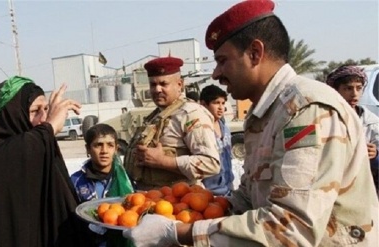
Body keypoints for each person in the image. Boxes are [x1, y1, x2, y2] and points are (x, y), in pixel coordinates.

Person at [123, 0, 379, 246]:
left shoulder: (306, 110)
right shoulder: (265, 115)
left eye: (223, 60)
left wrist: (180, 232)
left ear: (255, 53)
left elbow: (291, 230)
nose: (216, 74)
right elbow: (249, 198)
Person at [0, 76, 88, 247]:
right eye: (35, 110)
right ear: (11, 113)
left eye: (46, 109)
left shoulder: (38, 145)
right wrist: (49, 129)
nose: (43, 118)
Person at [124, 56, 220, 190]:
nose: (157, 89)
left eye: (164, 84)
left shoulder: (191, 113)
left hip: (179, 200)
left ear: (180, 84)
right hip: (150, 198)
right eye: (153, 84)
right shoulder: (156, 116)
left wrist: (163, 161)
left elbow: (211, 164)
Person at [71, 123, 134, 247]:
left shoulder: (128, 179)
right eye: (98, 145)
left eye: (110, 145)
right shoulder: (75, 181)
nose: (104, 151)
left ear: (116, 149)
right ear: (88, 149)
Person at [326, 65, 379, 196]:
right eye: (348, 88)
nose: (354, 94)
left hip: (364, 188)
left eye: (359, 88)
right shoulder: (326, 119)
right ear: (336, 91)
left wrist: (375, 155)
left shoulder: (371, 121)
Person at [199, 85, 233, 196]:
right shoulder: (200, 130)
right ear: (203, 104)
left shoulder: (225, 128)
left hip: (228, 188)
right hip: (209, 192)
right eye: (216, 103)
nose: (220, 107)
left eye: (223, 103)